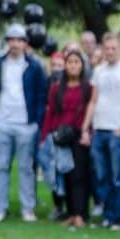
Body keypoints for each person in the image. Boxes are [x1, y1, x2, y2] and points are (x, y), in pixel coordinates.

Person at [0, 24, 47, 223]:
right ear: (7, 42)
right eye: (12, 40)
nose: (16, 44)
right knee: (1, 166)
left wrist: (36, 121)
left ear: (25, 43)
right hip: (1, 122)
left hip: (25, 124)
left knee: (27, 167)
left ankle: (28, 208)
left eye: (20, 40)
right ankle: (0, 208)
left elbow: (40, 95)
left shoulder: (34, 66)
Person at [81, 33, 120, 231]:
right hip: (99, 129)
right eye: (107, 48)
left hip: (117, 129)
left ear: (119, 49)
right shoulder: (98, 71)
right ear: (103, 49)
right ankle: (107, 214)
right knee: (101, 176)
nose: (110, 52)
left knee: (117, 177)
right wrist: (86, 127)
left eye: (114, 48)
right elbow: (94, 100)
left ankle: (119, 218)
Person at [40, 50, 92, 229]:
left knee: (79, 176)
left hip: (80, 135)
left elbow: (91, 112)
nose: (73, 65)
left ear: (82, 65)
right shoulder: (56, 88)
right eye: (70, 62)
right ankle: (70, 213)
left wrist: (87, 132)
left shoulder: (88, 88)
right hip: (61, 136)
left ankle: (80, 214)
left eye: (77, 62)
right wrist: (45, 136)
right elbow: (51, 113)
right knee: (66, 175)